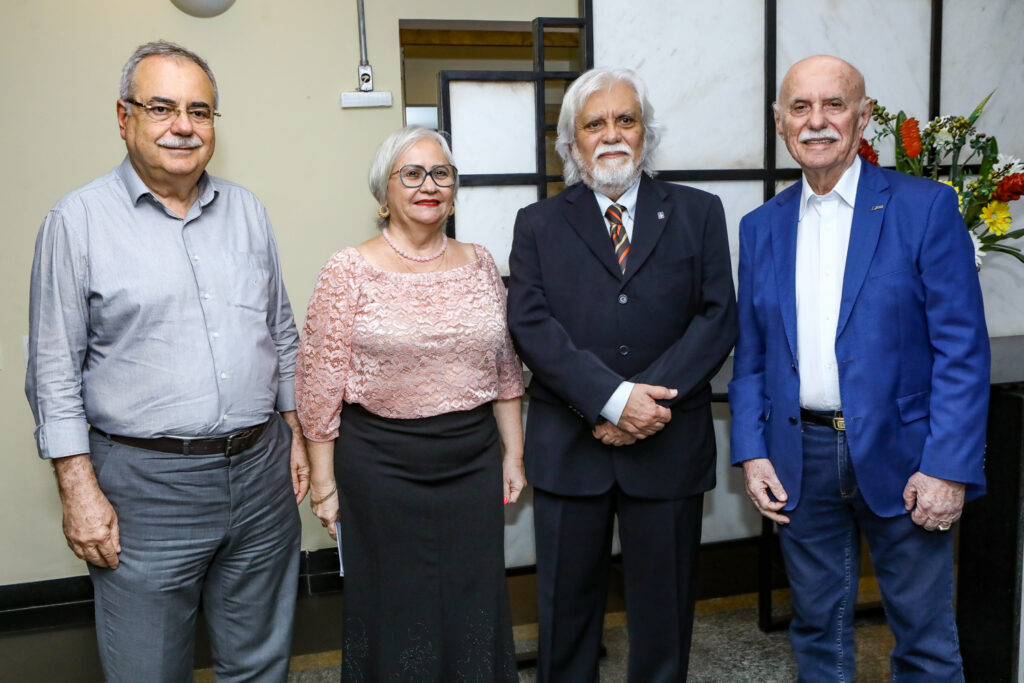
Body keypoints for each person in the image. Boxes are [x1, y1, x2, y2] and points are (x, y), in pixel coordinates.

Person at [24, 41, 309, 682]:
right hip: (145, 490)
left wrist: (294, 433)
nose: (183, 126)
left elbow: (281, 334)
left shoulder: (247, 212)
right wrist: (78, 489)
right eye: (162, 107)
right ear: (124, 117)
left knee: (261, 664)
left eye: (200, 111)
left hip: (262, 475)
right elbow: (52, 372)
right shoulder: (77, 222)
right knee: (148, 670)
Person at [729, 54, 990, 680]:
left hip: (908, 458)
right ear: (779, 122)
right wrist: (751, 450)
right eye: (800, 107)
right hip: (801, 458)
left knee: (925, 638)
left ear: (864, 116)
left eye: (834, 105)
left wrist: (947, 467)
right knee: (817, 632)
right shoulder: (761, 227)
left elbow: (962, 349)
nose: (816, 122)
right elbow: (753, 354)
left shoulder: (925, 208)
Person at [506, 68, 738, 682]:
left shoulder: (699, 212)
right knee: (565, 615)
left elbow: (717, 319)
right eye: (594, 123)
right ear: (572, 143)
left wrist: (644, 405)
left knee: (664, 618)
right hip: (571, 447)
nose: (611, 134)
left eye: (625, 120)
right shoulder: (538, 224)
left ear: (646, 134)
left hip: (667, 446)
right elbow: (531, 326)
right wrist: (611, 401)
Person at [295, 125, 525, 682]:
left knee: (476, 602)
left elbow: (505, 369)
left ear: (453, 190)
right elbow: (319, 383)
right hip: (379, 464)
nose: (429, 185)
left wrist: (512, 455)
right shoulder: (348, 269)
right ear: (384, 192)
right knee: (394, 608)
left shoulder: (480, 263)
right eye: (412, 173)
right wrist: (324, 484)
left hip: (470, 460)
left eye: (441, 174)